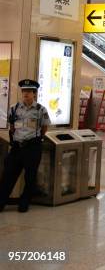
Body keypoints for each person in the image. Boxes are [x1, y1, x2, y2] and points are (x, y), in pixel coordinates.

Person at [0, 80, 50, 213]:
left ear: (34, 94)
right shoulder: (13, 108)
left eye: (28, 91)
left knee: (30, 176)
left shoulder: (41, 110)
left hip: (32, 148)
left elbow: (44, 128)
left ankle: (24, 202)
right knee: (8, 175)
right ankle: (1, 201)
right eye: (23, 91)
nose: (25, 94)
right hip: (17, 147)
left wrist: (35, 139)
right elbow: (11, 127)